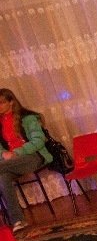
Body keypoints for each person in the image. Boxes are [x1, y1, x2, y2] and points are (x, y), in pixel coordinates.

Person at [0, 88, 53, 233]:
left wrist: (17, 152)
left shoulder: (28, 118)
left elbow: (39, 140)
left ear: (11, 102)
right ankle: (18, 220)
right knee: (2, 177)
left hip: (33, 156)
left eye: (1, 103)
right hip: (9, 163)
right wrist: (4, 154)